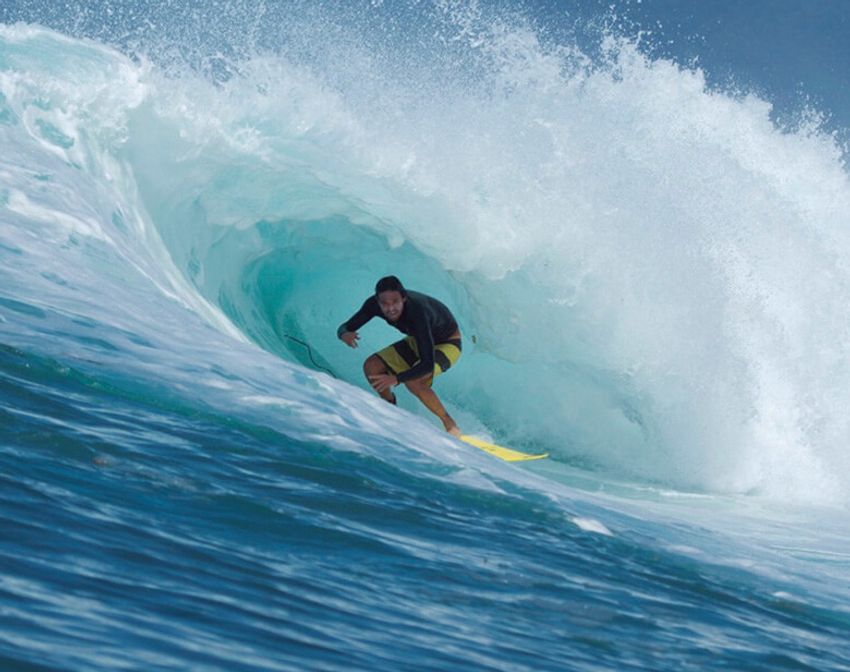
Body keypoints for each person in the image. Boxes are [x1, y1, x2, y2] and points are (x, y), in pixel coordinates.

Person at [337, 276, 462, 436]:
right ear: (378, 301)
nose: (390, 309)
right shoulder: (373, 305)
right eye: (384, 304)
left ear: (404, 298)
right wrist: (344, 334)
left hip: (447, 343)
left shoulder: (418, 312)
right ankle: (390, 407)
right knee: (372, 366)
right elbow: (345, 326)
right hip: (418, 340)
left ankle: (448, 422)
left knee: (414, 380)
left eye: (395, 302)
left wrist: (396, 378)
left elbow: (427, 364)